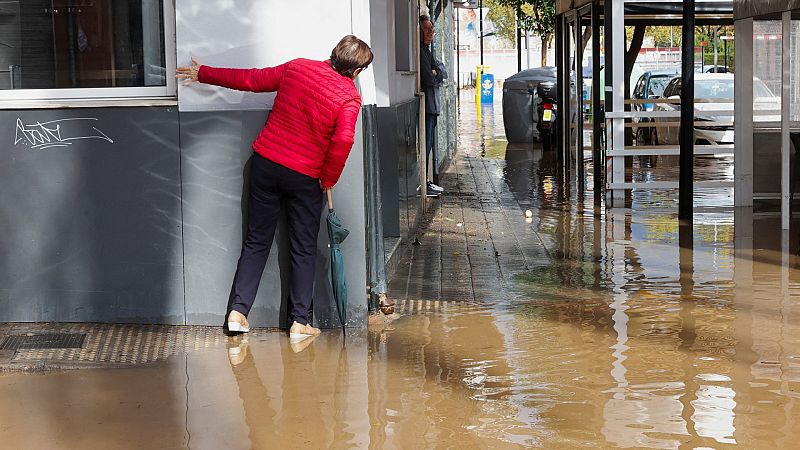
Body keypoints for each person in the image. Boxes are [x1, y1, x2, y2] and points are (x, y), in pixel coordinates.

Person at [176, 35, 373, 341]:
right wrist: (329, 178)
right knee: (303, 248)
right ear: (357, 71)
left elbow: (252, 79)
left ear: (333, 53)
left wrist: (204, 73)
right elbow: (344, 139)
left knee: (256, 241)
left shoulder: (297, 68)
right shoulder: (349, 97)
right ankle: (298, 322)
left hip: (265, 165)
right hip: (305, 177)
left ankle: (238, 314)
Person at [420, 15, 446, 196]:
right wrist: (435, 74)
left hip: (432, 106)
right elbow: (429, 79)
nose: (431, 33)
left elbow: (441, 71)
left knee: (429, 144)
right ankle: (424, 183)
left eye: (432, 30)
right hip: (428, 106)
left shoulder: (427, 51)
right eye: (427, 29)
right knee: (426, 144)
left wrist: (436, 74)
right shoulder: (421, 52)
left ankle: (426, 181)